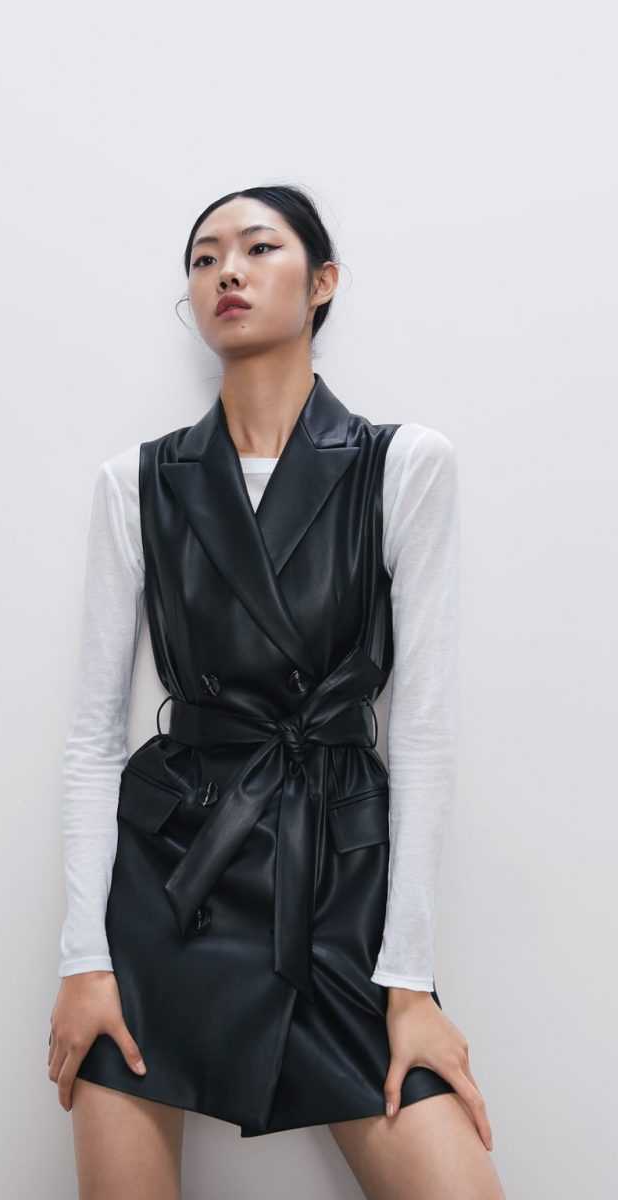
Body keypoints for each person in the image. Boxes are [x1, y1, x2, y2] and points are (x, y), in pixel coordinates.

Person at [48, 185, 506, 1199]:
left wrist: (410, 985)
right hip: (173, 880)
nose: (228, 271)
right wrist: (85, 962)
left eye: (259, 248)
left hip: (336, 880)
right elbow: (91, 741)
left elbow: (422, 733)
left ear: (322, 282)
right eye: (205, 257)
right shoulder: (137, 482)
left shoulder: (402, 464)